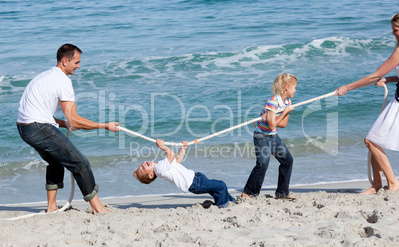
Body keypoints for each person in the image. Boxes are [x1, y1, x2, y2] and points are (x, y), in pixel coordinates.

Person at [17, 43, 120, 213]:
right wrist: (105, 126)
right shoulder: (63, 81)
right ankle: (98, 208)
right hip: (38, 127)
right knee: (80, 163)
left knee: (55, 161)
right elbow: (75, 120)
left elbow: (40, 113)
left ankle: (51, 207)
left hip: (24, 129)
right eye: (76, 62)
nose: (79, 66)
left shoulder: (44, 76)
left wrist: (65, 124)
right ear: (65, 61)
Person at [335, 13, 399, 194]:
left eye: (395, 30)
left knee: (371, 140)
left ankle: (393, 183)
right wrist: (390, 78)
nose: (393, 34)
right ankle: (378, 185)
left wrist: (347, 88)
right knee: (373, 139)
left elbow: (374, 76)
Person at [241, 73, 297, 200]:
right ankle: (248, 192)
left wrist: (283, 112)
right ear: (287, 87)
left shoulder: (287, 102)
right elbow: (272, 126)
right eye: (295, 87)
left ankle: (282, 192)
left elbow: (282, 124)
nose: (296, 90)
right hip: (262, 136)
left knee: (288, 161)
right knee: (262, 165)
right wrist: (285, 112)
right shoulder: (272, 102)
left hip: (274, 137)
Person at [133, 139, 236, 208]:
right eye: (142, 169)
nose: (142, 164)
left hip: (196, 178)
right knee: (221, 185)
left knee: (215, 189)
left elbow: (177, 161)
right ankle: (222, 206)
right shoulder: (159, 169)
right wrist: (162, 146)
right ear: (151, 175)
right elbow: (171, 154)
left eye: (141, 165)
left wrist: (182, 149)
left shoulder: (160, 164)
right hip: (194, 183)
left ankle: (232, 202)